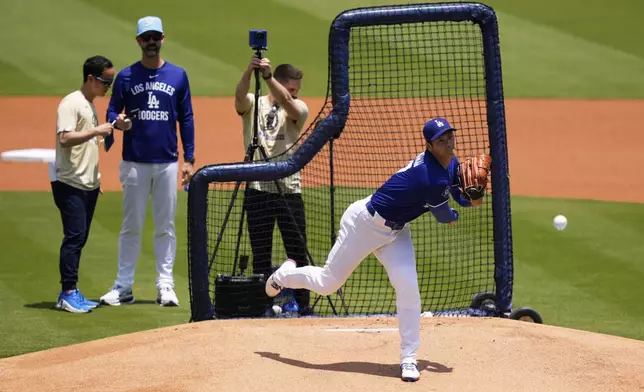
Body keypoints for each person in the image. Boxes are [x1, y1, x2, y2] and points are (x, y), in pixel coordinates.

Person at [265, 117, 486, 382]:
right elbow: (446, 216)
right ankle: (284, 276)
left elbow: (457, 194)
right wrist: (468, 202)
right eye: (442, 139)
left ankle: (408, 358)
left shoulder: (448, 163)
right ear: (428, 145)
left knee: (408, 287)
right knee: (327, 284)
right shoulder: (429, 178)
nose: (449, 142)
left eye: (450, 136)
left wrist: (472, 197)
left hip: (396, 232)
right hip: (364, 225)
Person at [100, 16, 195, 307]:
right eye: (146, 38)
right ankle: (123, 286)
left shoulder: (178, 75)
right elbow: (111, 112)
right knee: (131, 225)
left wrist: (189, 158)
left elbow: (187, 117)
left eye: (155, 37)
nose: (151, 42)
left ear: (162, 38)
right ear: (139, 41)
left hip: (167, 161)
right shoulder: (127, 76)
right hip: (135, 161)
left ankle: (165, 285)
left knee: (165, 226)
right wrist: (118, 123)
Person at [234, 55, 310, 315]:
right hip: (258, 189)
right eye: (291, 89)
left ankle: (303, 304)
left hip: (289, 189)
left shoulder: (299, 107)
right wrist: (249, 71)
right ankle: (262, 305)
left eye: (296, 91)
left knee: (297, 251)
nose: (293, 94)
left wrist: (268, 78)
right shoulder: (255, 104)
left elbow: (290, 106)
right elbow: (239, 97)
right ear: (279, 83)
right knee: (260, 253)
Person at [53, 55, 117, 313]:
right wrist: (97, 131)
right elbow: (65, 138)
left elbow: (88, 148)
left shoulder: (89, 104)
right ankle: (67, 293)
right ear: (90, 79)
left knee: (79, 238)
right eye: (105, 82)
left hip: (87, 184)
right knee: (74, 237)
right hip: (71, 184)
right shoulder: (71, 103)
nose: (108, 87)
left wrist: (95, 179)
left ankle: (72, 291)